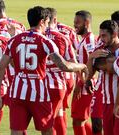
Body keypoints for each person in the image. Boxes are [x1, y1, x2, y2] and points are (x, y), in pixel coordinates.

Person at [0, 6, 88, 135]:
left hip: (17, 93)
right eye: (47, 23)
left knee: (16, 132)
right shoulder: (45, 41)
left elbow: (1, 67)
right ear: (42, 22)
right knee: (47, 130)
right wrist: (82, 66)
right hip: (38, 94)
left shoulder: (14, 40)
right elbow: (64, 66)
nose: (47, 26)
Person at [45, 7, 76, 135]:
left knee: (49, 118)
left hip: (44, 82)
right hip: (64, 80)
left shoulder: (39, 35)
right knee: (60, 112)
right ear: (55, 19)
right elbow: (74, 59)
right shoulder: (65, 35)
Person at [72, 10, 96, 135]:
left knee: (78, 121)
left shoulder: (89, 41)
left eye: (77, 23)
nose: (75, 25)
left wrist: (80, 85)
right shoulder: (84, 39)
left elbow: (91, 65)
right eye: (74, 22)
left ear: (86, 23)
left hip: (86, 86)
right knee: (80, 120)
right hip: (82, 84)